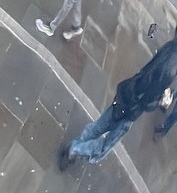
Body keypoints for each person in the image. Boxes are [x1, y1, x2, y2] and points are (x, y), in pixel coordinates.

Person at [59, 30, 177, 168]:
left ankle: (76, 145)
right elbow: (147, 100)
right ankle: (74, 150)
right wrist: (162, 103)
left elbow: (149, 74)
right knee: (104, 148)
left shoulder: (170, 46)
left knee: (98, 126)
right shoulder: (170, 70)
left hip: (127, 91)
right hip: (133, 107)